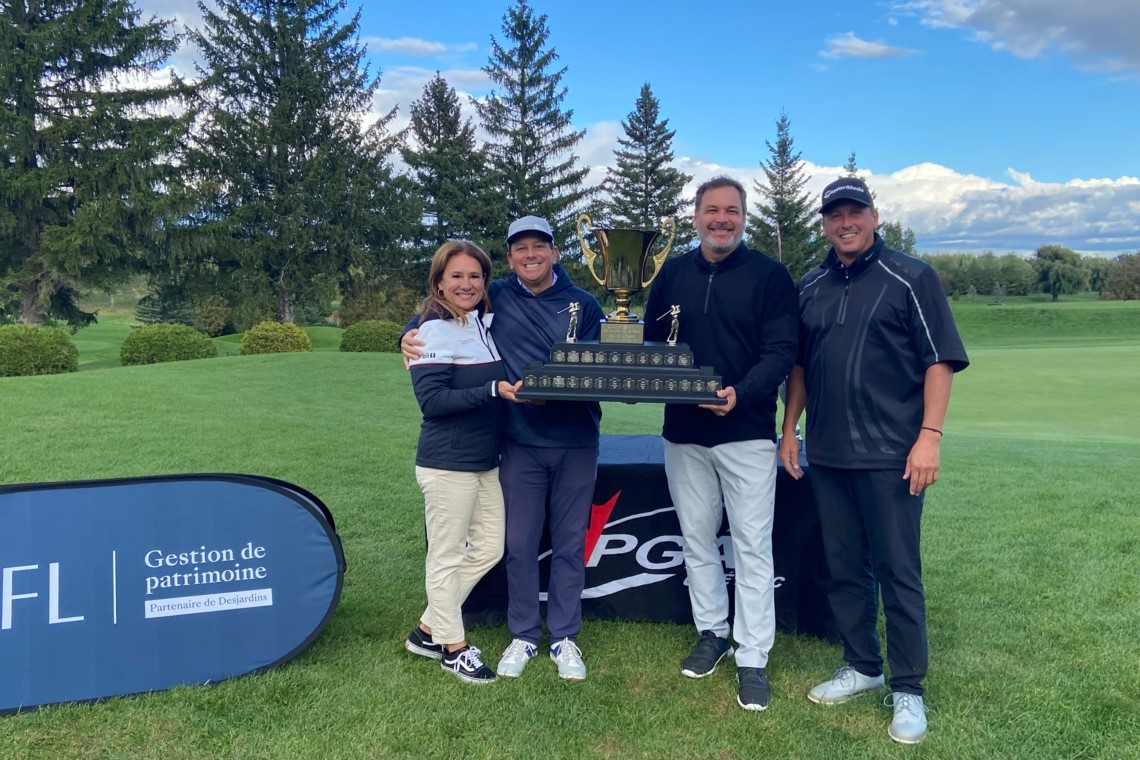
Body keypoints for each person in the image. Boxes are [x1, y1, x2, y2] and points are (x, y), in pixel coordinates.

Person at [779, 177, 969, 743]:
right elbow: (801, 368)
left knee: (897, 571)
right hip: (829, 454)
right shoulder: (809, 284)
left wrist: (930, 435)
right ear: (824, 223)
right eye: (834, 215)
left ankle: (908, 688)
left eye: (854, 212)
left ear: (874, 216)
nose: (845, 223)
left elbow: (940, 361)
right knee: (843, 568)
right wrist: (789, 431)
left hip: (894, 455)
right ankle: (862, 665)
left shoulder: (911, 277)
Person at [402, 216, 605, 681]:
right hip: (516, 443)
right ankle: (523, 634)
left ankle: (565, 637)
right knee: (516, 545)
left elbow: (604, 360)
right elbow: (437, 316)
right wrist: (405, 337)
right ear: (510, 257)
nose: (530, 255)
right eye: (520, 248)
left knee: (571, 544)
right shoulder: (498, 298)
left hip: (576, 439)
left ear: (555, 252)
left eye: (540, 246)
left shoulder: (586, 303)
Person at [643, 176, 798, 712]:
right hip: (684, 433)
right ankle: (711, 632)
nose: (721, 219)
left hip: (747, 432)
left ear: (744, 217)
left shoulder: (770, 275)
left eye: (731, 210)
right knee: (696, 539)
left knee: (753, 547)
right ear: (695, 217)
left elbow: (780, 353)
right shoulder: (671, 274)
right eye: (712, 210)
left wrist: (741, 394)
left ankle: (752, 656)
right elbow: (651, 348)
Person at [402, 241, 522, 684]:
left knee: (490, 547)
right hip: (446, 464)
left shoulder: (480, 323)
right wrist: (493, 391)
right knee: (447, 556)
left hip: (484, 461)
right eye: (456, 276)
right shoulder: (432, 331)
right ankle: (453, 647)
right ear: (439, 282)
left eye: (475, 276)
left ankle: (427, 628)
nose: (467, 284)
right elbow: (432, 402)